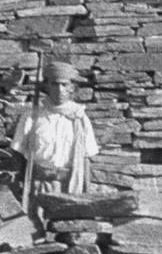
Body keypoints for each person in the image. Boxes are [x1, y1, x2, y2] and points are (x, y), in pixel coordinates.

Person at [11, 60, 99, 217]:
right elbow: (18, 153)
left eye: (64, 85)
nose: (60, 90)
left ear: (72, 87)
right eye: (55, 84)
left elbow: (86, 158)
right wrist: (20, 186)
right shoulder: (32, 116)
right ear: (47, 86)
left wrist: (86, 192)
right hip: (38, 186)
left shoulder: (79, 118)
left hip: (70, 187)